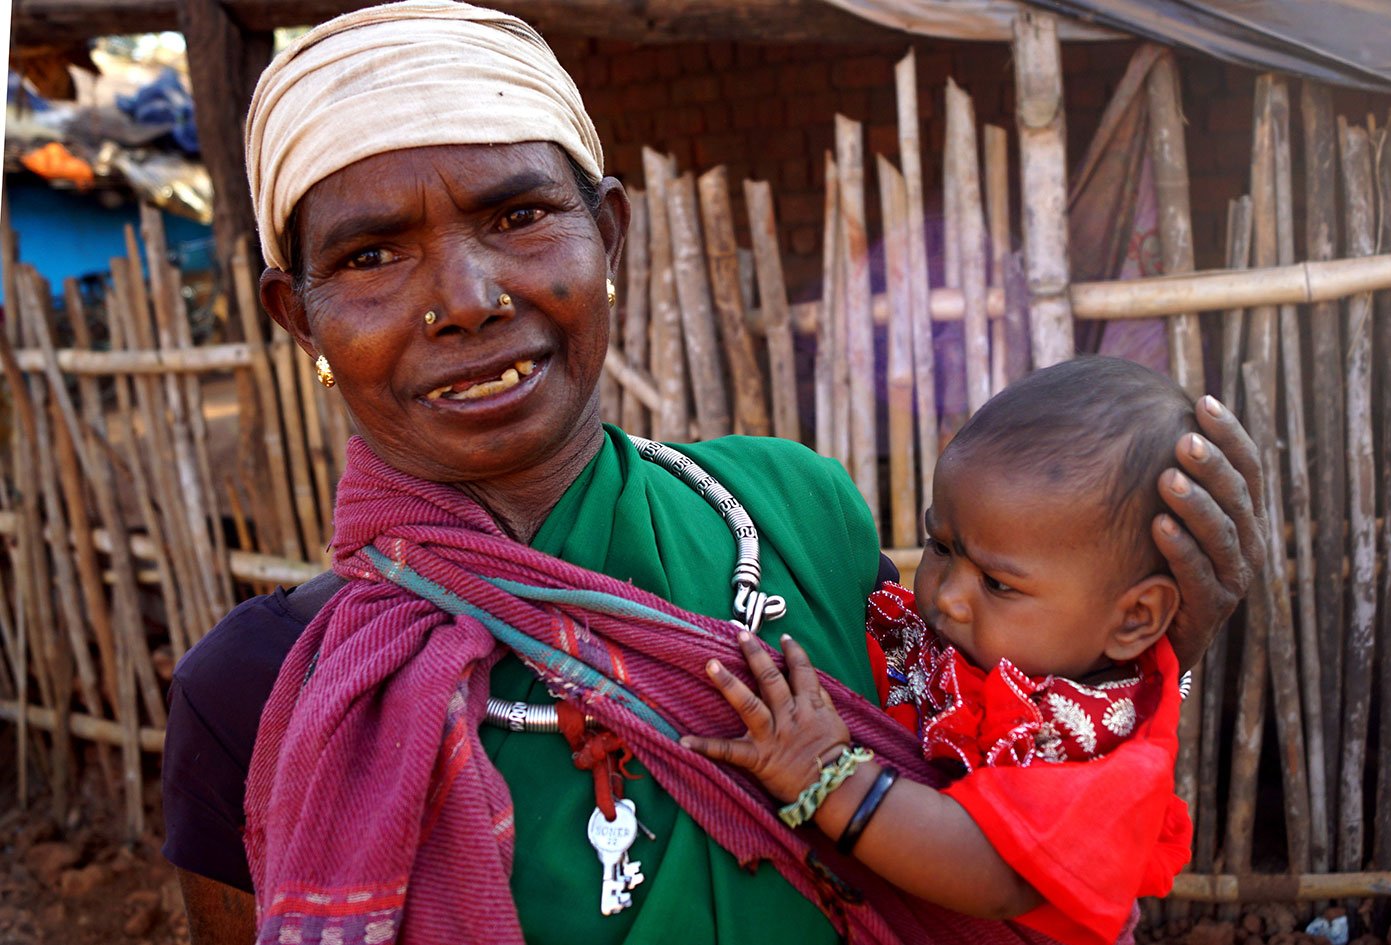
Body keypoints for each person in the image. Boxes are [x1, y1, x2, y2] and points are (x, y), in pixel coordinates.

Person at [159, 3, 1265, 943]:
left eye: (520, 214)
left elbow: (1015, 818)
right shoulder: (264, 695)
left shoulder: (797, 516)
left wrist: (1141, 669)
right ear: (293, 314)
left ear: (609, 236)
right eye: (371, 254)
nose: (466, 296)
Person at [683, 357, 1205, 945]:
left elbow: (997, 870)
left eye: (998, 584)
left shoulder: (1096, 750)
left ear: (1134, 618)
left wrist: (828, 778)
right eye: (941, 546)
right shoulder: (956, 644)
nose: (949, 597)